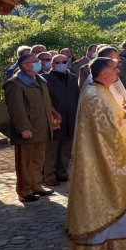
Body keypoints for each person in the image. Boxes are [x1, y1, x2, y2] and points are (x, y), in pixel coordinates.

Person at [66, 56, 126, 250]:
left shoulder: (100, 91)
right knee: (107, 198)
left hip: (99, 157)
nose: (118, 72)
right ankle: (102, 247)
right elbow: (112, 132)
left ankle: (110, 246)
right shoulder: (95, 95)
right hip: (102, 162)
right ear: (104, 73)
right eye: (115, 69)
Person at [3, 52, 60, 203]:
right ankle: (25, 191)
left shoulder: (40, 80)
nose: (38, 63)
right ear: (25, 66)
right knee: (25, 162)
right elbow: (16, 109)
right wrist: (24, 129)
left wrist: (53, 118)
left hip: (41, 127)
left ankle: (36, 186)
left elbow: (46, 103)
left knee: (38, 160)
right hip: (27, 129)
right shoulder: (15, 83)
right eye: (34, 61)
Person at [43, 53, 80, 186]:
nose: (61, 64)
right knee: (51, 149)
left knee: (66, 148)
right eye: (57, 62)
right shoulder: (45, 78)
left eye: (64, 62)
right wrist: (52, 114)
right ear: (52, 64)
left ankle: (62, 172)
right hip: (54, 118)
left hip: (70, 117)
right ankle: (49, 175)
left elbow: (76, 96)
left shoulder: (72, 78)